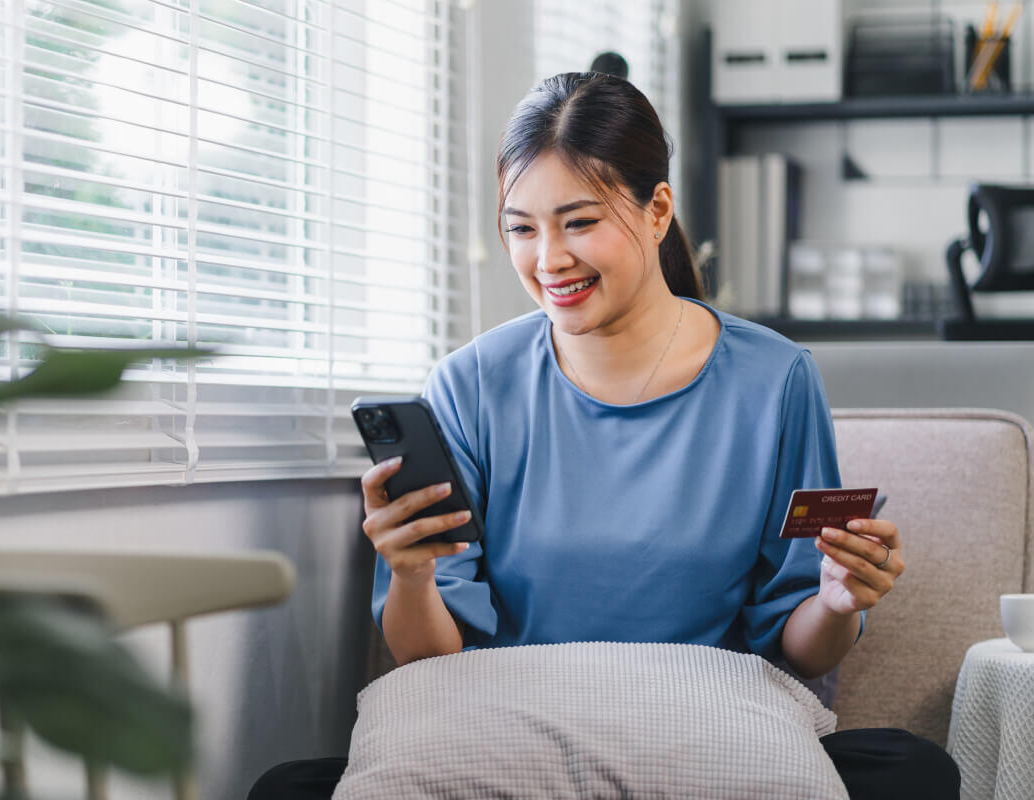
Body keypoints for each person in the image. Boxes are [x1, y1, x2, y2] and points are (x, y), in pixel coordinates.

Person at [249, 72, 960, 800]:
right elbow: (431, 656)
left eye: (579, 222)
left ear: (658, 212)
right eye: (522, 228)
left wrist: (839, 601)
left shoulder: (776, 380)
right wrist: (410, 573)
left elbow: (800, 649)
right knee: (285, 789)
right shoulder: (468, 384)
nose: (549, 259)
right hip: (513, 731)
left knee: (915, 772)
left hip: (701, 734)